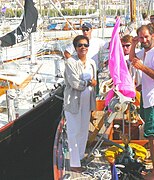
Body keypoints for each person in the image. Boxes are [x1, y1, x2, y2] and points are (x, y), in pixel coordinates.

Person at [129, 25, 154, 180]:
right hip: (147, 97)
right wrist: (132, 44)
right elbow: (133, 59)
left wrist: (143, 68)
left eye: (146, 37)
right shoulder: (146, 50)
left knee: (152, 135)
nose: (143, 40)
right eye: (141, 37)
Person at [63, 35, 97, 173]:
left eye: (85, 45)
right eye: (80, 45)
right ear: (75, 48)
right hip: (73, 102)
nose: (83, 47)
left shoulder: (92, 63)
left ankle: (81, 156)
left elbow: (95, 83)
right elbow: (75, 83)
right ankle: (74, 162)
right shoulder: (70, 62)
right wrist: (89, 82)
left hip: (87, 102)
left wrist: (93, 84)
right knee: (73, 131)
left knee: (83, 130)